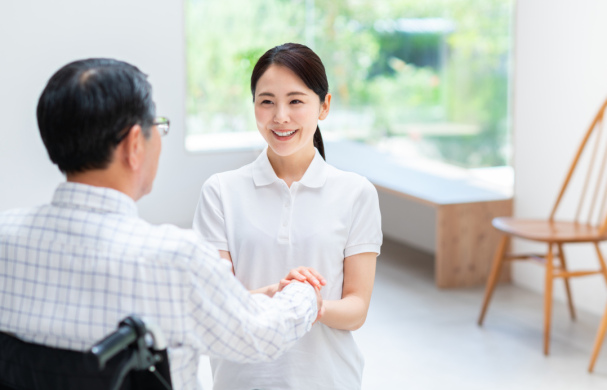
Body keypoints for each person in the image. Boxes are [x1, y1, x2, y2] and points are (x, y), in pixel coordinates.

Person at [0, 58, 323, 390]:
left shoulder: (4, 239)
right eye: (157, 126)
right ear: (134, 144)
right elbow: (260, 335)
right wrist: (304, 293)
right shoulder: (174, 259)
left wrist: (255, 295)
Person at [193, 43, 383, 389]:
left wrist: (313, 302)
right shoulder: (220, 191)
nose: (280, 116)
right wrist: (280, 294)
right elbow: (214, 304)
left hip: (329, 380)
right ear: (254, 106)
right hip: (242, 381)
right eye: (267, 101)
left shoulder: (356, 193)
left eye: (296, 101)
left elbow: (356, 308)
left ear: (324, 106)